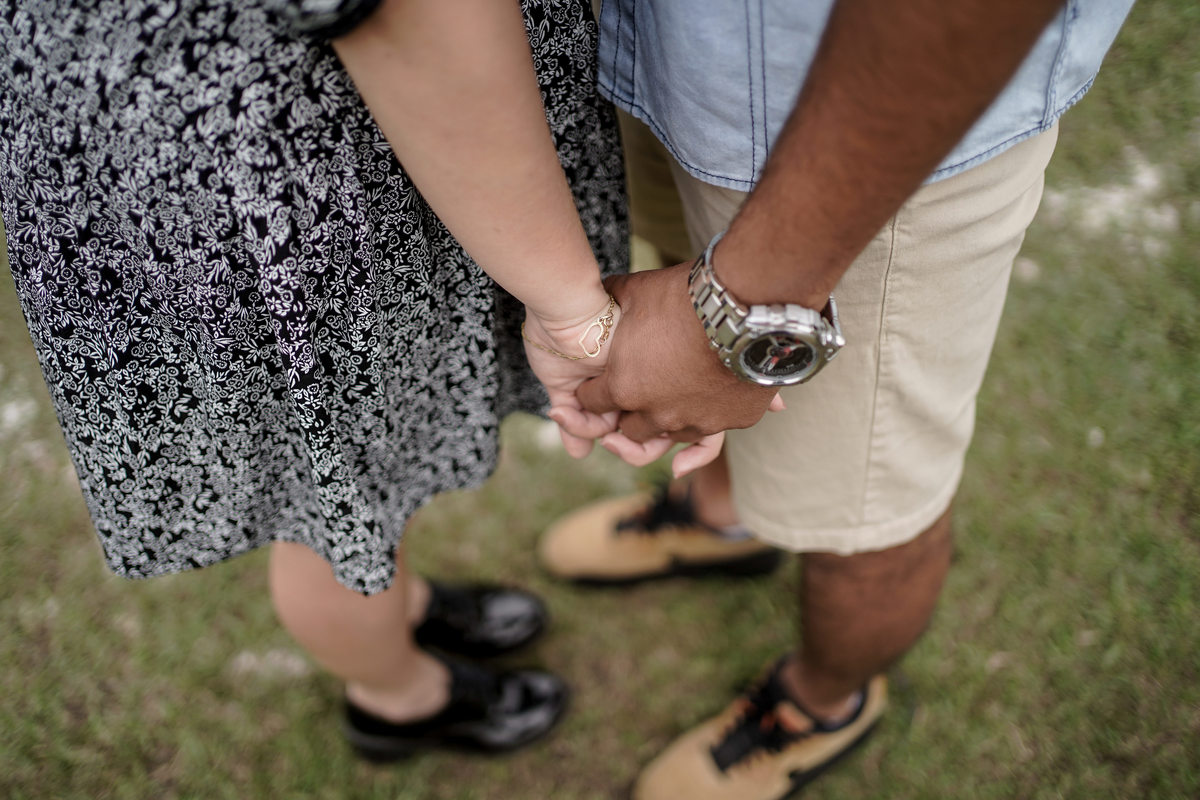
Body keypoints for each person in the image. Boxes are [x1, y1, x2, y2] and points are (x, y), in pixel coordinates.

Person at [0, 0, 629, 760]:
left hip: (217, 113)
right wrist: (569, 307)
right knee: (332, 512)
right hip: (266, 163)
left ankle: (403, 603)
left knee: (374, 459)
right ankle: (395, 696)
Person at [539, 0, 1136, 797]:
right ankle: (724, 520)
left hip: (876, 134)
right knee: (670, 289)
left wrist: (754, 303)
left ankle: (822, 705)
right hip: (660, 65)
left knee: (863, 503)